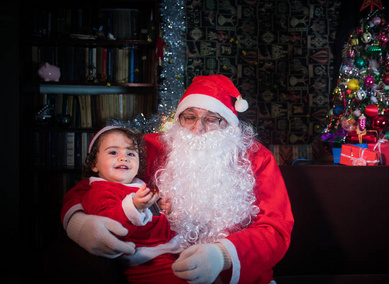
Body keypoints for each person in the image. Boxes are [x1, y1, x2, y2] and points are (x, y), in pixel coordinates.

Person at [61, 75, 294, 284]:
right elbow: (92, 184)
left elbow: (275, 229)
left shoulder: (256, 157)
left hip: (236, 278)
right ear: (178, 118)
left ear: (228, 125)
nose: (197, 129)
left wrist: (223, 255)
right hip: (160, 269)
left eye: (211, 119)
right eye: (189, 117)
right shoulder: (152, 146)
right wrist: (79, 225)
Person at [79, 126, 186, 283]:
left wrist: (161, 207)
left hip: (168, 247)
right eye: (113, 152)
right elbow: (107, 226)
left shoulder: (137, 184)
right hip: (144, 259)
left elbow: (152, 213)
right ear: (94, 164)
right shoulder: (100, 190)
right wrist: (134, 207)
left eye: (130, 153)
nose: (124, 158)